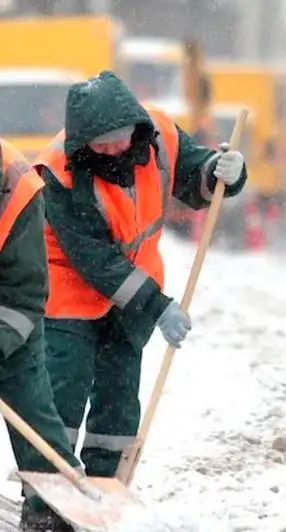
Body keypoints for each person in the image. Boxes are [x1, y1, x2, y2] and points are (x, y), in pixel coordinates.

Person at [33, 71, 247, 483]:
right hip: (70, 294)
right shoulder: (59, 170)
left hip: (133, 292)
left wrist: (224, 172)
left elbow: (195, 178)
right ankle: (47, 498)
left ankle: (106, 486)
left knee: (119, 398)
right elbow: (96, 261)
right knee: (63, 394)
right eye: (101, 143)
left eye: (119, 138)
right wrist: (159, 306)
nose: (113, 149)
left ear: (135, 127)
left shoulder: (159, 135)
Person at [0, 139, 85, 531]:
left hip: (8, 305)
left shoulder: (17, 192)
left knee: (31, 409)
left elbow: (24, 296)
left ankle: (54, 507)